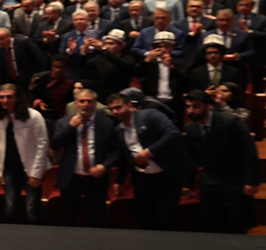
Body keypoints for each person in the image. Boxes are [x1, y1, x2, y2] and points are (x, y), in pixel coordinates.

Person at [107, 89, 193, 230]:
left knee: (166, 218)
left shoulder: (150, 115)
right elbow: (123, 156)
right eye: (112, 110)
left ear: (129, 105)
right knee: (144, 218)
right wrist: (119, 181)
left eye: (118, 107)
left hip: (167, 174)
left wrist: (150, 151)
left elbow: (173, 134)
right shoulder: (118, 130)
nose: (116, 112)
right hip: (142, 177)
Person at [184, 89, 260, 233]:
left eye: (195, 106)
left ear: (207, 106)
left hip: (234, 177)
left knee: (236, 223)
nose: (191, 110)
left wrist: (251, 180)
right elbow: (191, 157)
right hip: (210, 178)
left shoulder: (230, 121)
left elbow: (249, 152)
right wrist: (188, 183)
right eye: (188, 107)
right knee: (210, 221)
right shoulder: (190, 128)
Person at [48, 88, 123, 227]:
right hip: (71, 179)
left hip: (96, 179)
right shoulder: (64, 123)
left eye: (90, 101)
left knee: (97, 218)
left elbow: (117, 151)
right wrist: (71, 127)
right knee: (68, 218)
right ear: (76, 104)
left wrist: (104, 166)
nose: (86, 105)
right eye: (82, 101)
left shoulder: (106, 123)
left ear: (95, 104)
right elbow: (56, 144)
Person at [0, 84, 49, 224]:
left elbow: (42, 145)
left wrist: (36, 174)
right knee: (10, 209)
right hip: (10, 170)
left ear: (18, 97)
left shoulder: (33, 116)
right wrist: (0, 173)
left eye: (9, 97)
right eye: (2, 97)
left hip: (30, 169)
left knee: (32, 211)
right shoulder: (0, 117)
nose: (5, 100)